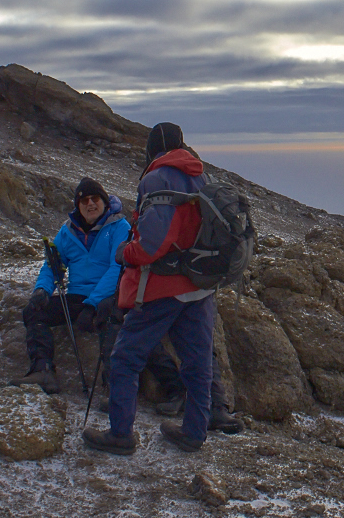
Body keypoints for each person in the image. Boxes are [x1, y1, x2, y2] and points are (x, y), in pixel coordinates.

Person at [83, 122, 216, 455]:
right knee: (197, 363)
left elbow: (153, 243)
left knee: (126, 357)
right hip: (200, 285)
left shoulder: (157, 178)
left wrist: (124, 253)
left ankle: (120, 434)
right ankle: (194, 432)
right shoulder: (202, 176)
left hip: (163, 287)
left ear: (152, 148)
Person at [10, 177, 126, 394]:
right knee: (34, 311)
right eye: (84, 201)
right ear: (78, 206)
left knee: (109, 317)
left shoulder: (119, 227)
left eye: (95, 199)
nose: (90, 204)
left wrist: (92, 304)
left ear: (104, 202)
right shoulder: (67, 231)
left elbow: (117, 269)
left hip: (108, 298)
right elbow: (53, 265)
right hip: (78, 298)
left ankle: (113, 386)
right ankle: (43, 370)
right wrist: (42, 289)